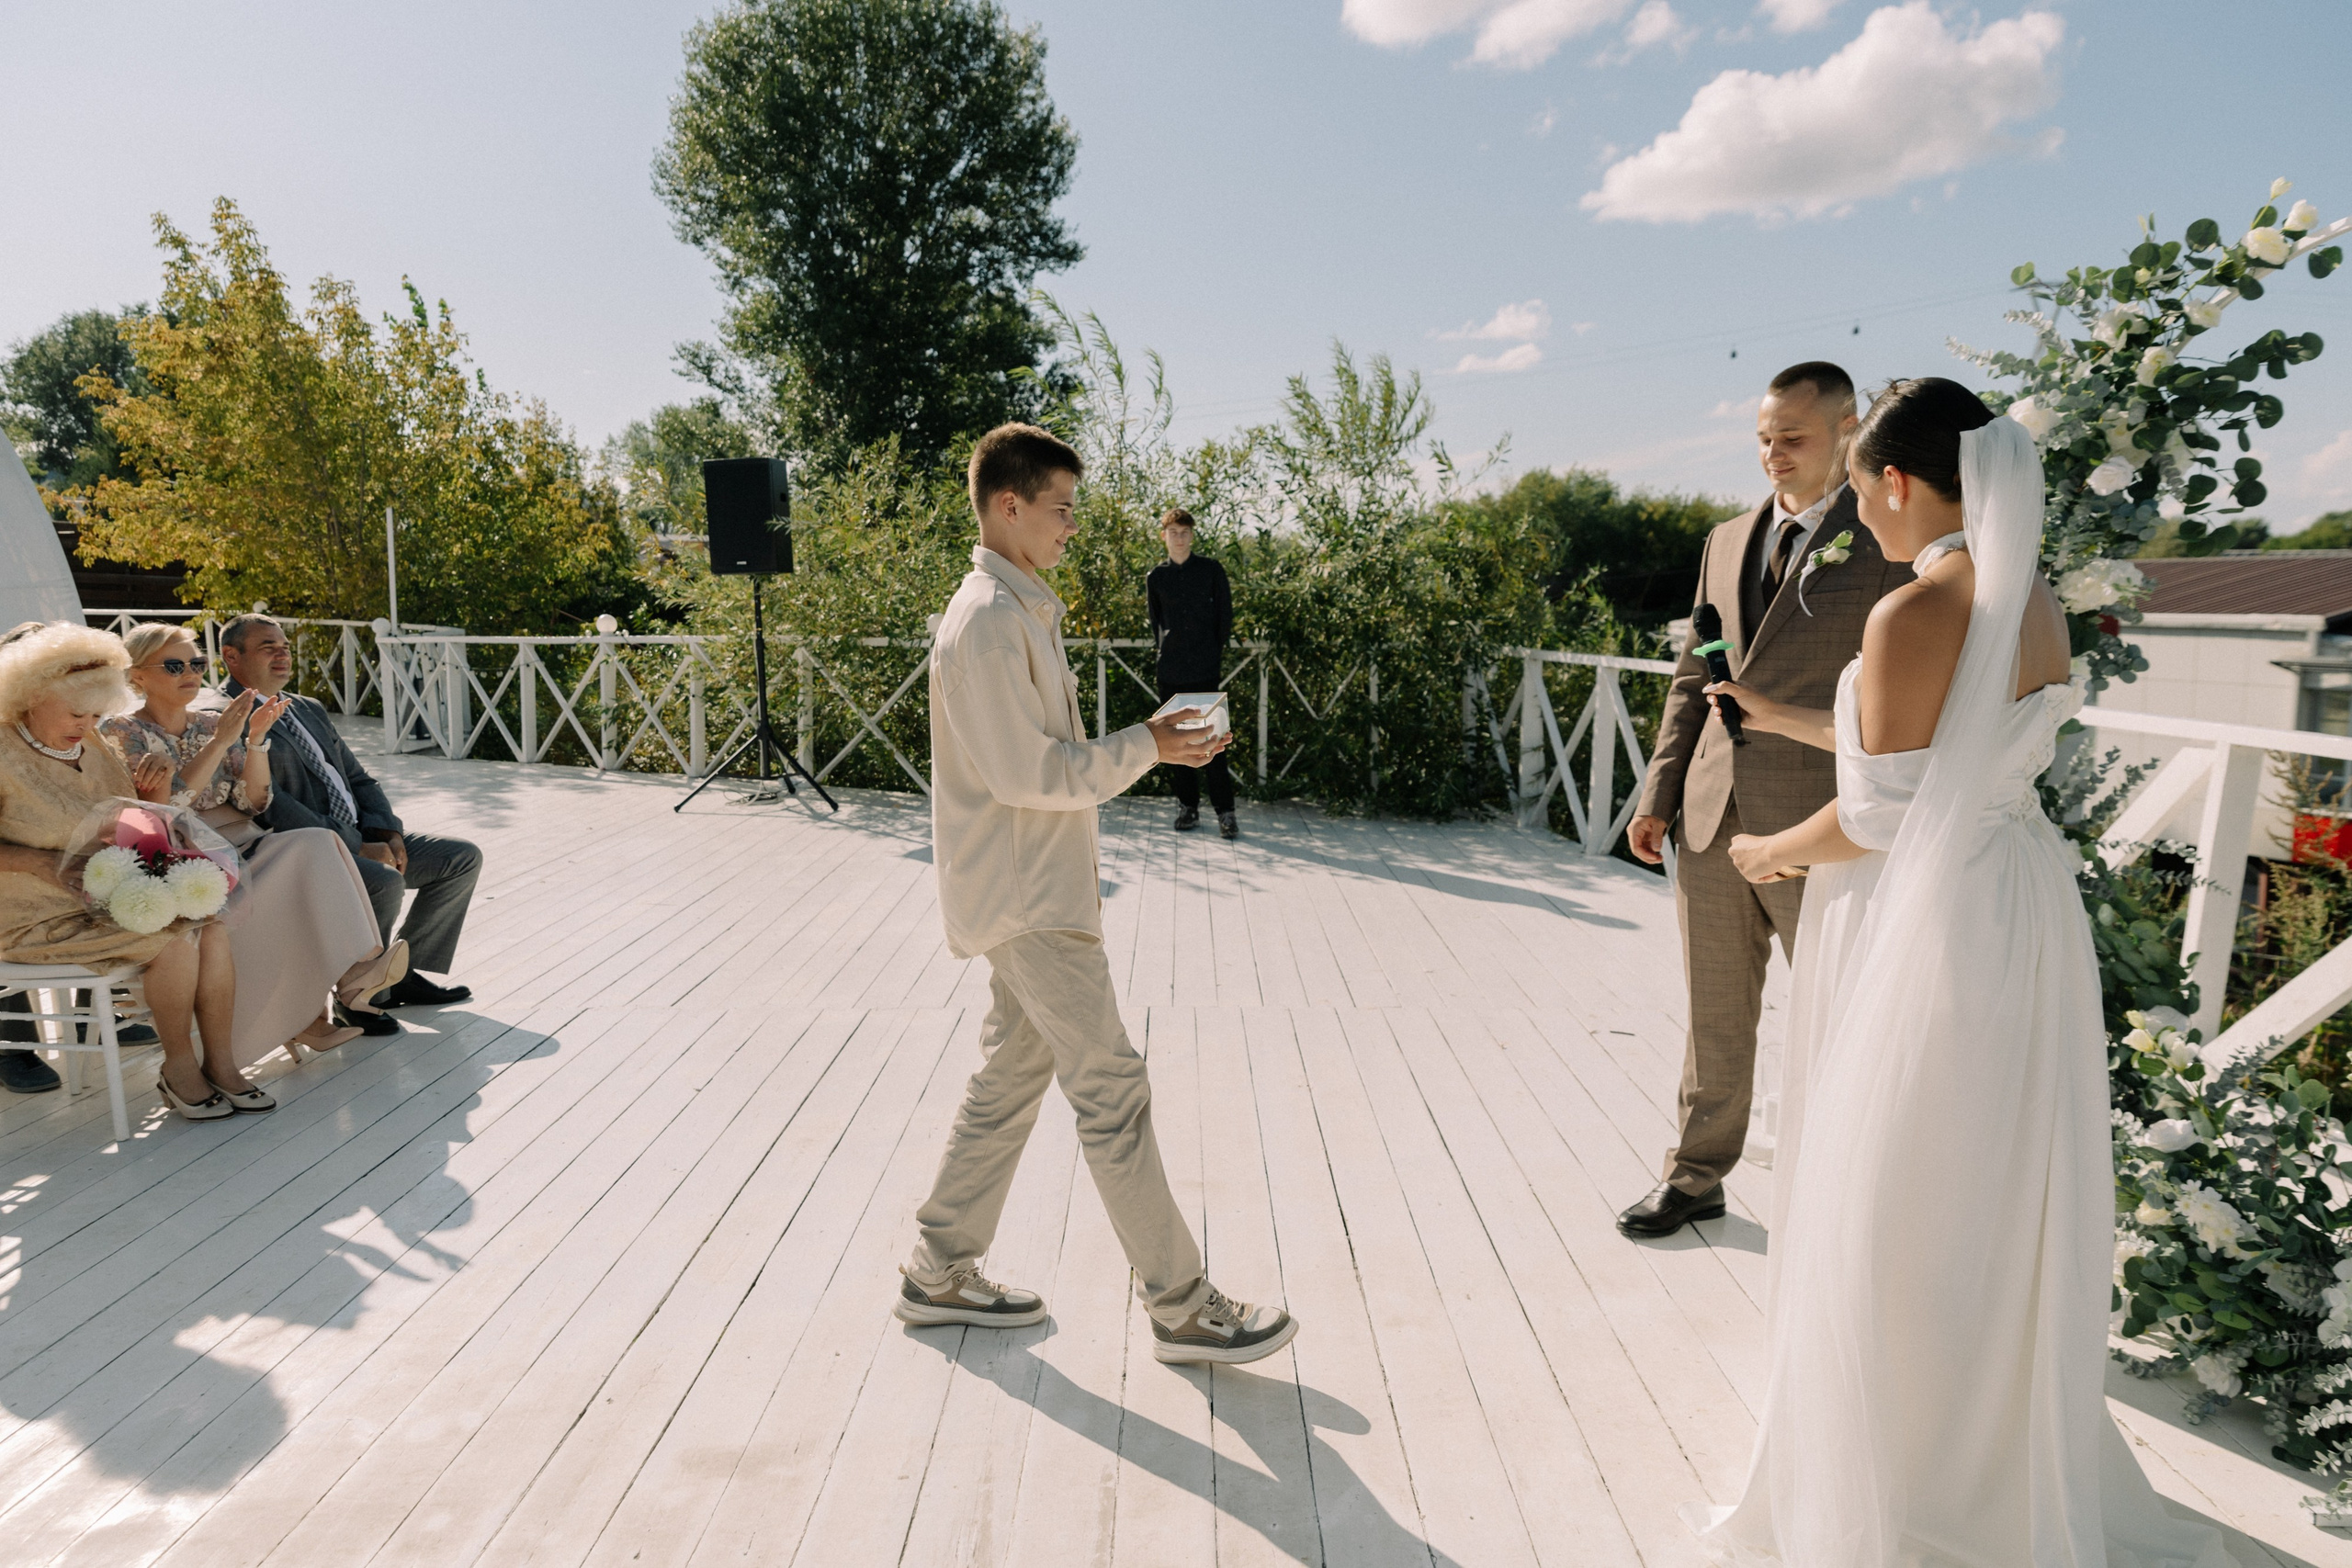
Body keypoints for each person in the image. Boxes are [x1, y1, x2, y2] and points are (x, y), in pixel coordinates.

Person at [1685, 382, 2233, 1564]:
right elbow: (1953, 748)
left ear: (1894, 481)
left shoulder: (1911, 610)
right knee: (1986, 1183)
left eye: (1861, 491)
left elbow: (1878, 819)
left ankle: (1900, 1474)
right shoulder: (2030, 597)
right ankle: (1993, 1451)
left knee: (1896, 1186)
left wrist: (1769, 850)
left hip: (1921, 918)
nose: (1859, 517)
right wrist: (1786, 717)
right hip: (2018, 908)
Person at [897, 423, 1298, 1365]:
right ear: (1010, 506)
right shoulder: (988, 620)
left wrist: (1150, 742)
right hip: (1030, 901)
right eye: (1063, 508)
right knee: (1112, 1090)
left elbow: (1037, 767)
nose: (1073, 525)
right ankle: (1181, 1304)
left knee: (1008, 1080)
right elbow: (1028, 774)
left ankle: (937, 1270)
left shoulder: (1014, 609)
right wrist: (1147, 745)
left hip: (1031, 892)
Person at [1617, 361, 1911, 1240]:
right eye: (1762, 438)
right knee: (1714, 1013)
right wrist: (1658, 793)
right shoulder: (1724, 538)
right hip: (1711, 814)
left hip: (1822, 821)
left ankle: (1845, 1191)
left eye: (1792, 437)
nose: (1773, 454)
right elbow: (1692, 676)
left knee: (1838, 1013)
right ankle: (1694, 1176)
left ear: (1848, 430)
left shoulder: (1887, 536)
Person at [104, 622, 404, 1064]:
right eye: (174, 666)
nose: (191, 673)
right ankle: (319, 1004)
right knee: (299, 875)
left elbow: (252, 800)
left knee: (319, 842)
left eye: (196, 664)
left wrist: (256, 742)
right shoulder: (122, 731)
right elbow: (165, 809)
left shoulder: (212, 722)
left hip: (243, 840)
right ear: (138, 676)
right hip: (184, 854)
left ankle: (353, 975)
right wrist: (223, 742)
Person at [0, 624, 254, 1120]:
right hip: (28, 915)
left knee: (212, 929)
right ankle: (179, 1068)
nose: (86, 724)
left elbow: (130, 822)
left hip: (99, 899)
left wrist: (155, 791)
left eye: (97, 713)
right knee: (174, 942)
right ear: (31, 696)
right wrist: (39, 863)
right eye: (76, 713)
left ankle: (222, 1064)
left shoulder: (92, 742)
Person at [213, 614, 480, 1033]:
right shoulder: (223, 717)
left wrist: (386, 832)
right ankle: (357, 993)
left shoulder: (307, 707)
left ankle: (400, 975)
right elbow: (270, 806)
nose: (282, 655)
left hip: (360, 833)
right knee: (382, 882)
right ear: (232, 656)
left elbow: (357, 778)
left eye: (285, 647)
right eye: (268, 648)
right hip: (303, 848)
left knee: (459, 858)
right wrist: (354, 846)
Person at [1147, 507, 1238, 838]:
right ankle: (1188, 807)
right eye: (1173, 532)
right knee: (1175, 742)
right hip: (1170, 670)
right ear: (1164, 536)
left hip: (1204, 669)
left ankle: (1226, 813)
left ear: (1192, 535)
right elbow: (1156, 623)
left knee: (1214, 738)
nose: (1180, 538)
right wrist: (1166, 652)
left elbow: (1224, 617)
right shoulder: (1156, 577)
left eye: (1185, 532)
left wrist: (1212, 653)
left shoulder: (1211, 570)